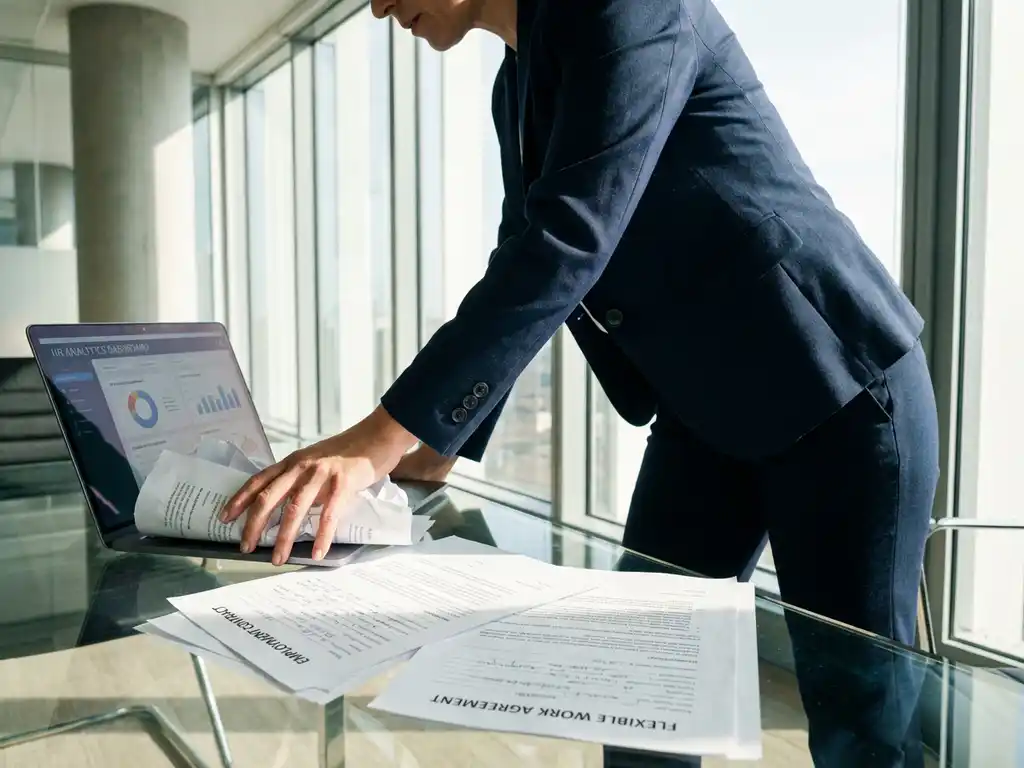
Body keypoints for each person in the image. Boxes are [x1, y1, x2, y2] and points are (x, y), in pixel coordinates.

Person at [222, 1, 937, 761]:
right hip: (706, 410)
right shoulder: (517, 82)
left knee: (860, 729)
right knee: (638, 699)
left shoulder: (627, 7)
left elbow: (569, 239)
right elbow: (522, 246)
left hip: (837, 386)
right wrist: (437, 445)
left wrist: (380, 438)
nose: (376, 5)